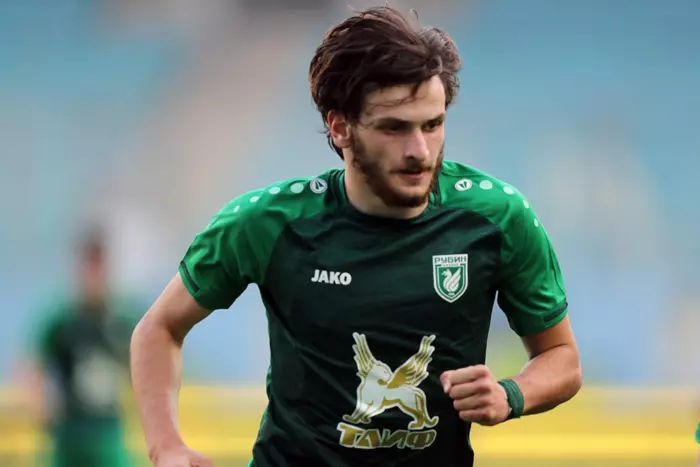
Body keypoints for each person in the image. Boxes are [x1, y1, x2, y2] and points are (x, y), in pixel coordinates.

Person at [130, 6, 583, 467]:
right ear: (340, 126)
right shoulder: (268, 223)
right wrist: (165, 445)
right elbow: (159, 328)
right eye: (394, 128)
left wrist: (511, 394)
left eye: (432, 124)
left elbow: (562, 357)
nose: (420, 151)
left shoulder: (496, 217)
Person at [22, 228, 140, 467]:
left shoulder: (122, 320)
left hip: (108, 429)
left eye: (99, 266)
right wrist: (42, 401)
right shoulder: (63, 321)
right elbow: (33, 363)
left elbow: (147, 361)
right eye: (89, 266)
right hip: (69, 430)